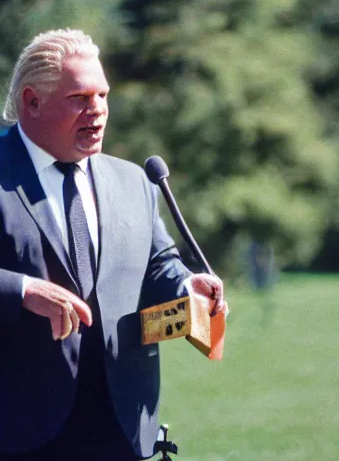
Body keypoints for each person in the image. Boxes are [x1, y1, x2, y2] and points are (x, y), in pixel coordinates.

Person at [0, 29, 227, 461]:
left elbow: (159, 262)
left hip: (123, 427)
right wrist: (22, 291)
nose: (99, 111)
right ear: (32, 102)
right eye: (80, 98)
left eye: (103, 96)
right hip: (17, 431)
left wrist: (186, 288)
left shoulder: (134, 181)